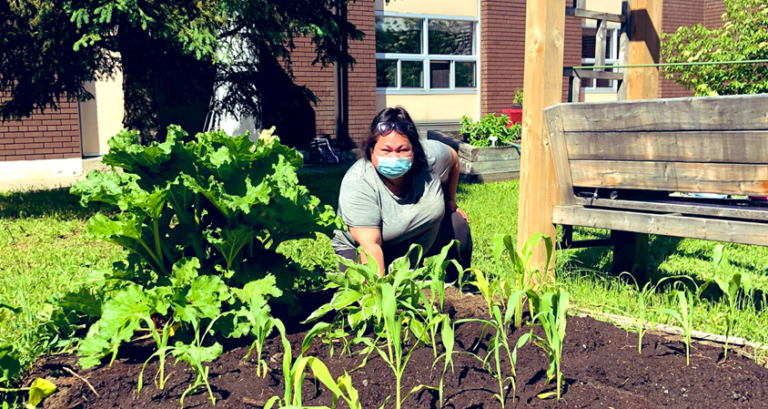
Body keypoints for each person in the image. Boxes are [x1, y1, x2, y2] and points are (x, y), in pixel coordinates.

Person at [331, 107, 472, 277]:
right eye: (386, 150)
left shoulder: (429, 158)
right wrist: (381, 291)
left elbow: (453, 158)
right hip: (365, 251)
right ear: (371, 150)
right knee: (361, 286)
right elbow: (370, 246)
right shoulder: (358, 182)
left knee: (457, 223)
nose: (394, 158)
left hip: (415, 241)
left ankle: (458, 283)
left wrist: (450, 200)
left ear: (414, 151)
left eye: (402, 150)